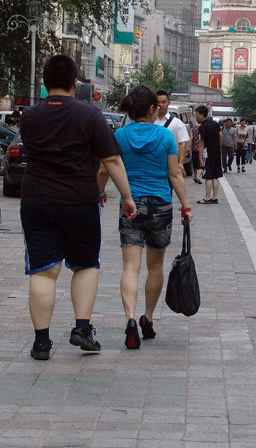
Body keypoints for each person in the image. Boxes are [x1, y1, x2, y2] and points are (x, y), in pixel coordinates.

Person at [19, 55, 136, 361]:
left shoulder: (29, 116)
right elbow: (111, 160)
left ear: (44, 84)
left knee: (43, 271)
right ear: (76, 83)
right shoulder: (90, 116)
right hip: (79, 201)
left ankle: (41, 343)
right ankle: (82, 329)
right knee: (84, 264)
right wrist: (126, 196)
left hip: (36, 201)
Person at [99, 86, 193, 350]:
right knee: (155, 266)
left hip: (130, 204)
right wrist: (185, 207)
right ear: (152, 109)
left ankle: (130, 319)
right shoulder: (165, 136)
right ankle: (147, 319)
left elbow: (105, 169)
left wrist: (98, 193)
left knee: (130, 266)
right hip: (160, 205)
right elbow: (175, 174)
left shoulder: (119, 135)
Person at [154, 90, 189, 177]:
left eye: (163, 102)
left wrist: (180, 163)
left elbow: (182, 143)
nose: (161, 105)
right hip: (153, 163)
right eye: (158, 103)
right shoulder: (150, 121)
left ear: (168, 103)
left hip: (171, 164)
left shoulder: (177, 123)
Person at [196, 106, 223, 204]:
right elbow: (221, 135)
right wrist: (219, 147)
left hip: (208, 153)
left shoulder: (202, 127)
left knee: (208, 176)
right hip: (216, 152)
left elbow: (201, 142)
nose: (196, 116)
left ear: (201, 114)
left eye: (197, 114)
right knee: (215, 176)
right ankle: (215, 197)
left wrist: (200, 156)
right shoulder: (215, 124)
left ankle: (207, 198)